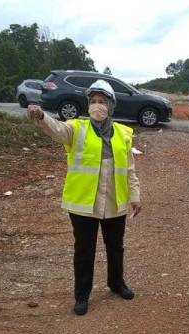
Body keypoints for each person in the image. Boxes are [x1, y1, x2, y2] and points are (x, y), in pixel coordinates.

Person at [27, 79, 142, 316]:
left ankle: (116, 283)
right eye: (93, 101)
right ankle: (81, 295)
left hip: (114, 201)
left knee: (115, 246)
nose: (97, 106)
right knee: (84, 250)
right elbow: (58, 130)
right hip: (83, 204)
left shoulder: (122, 133)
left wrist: (135, 196)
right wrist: (41, 117)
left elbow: (129, 169)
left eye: (102, 102)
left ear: (111, 106)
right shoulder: (76, 128)